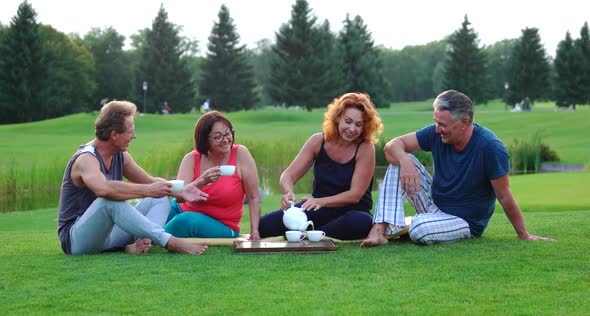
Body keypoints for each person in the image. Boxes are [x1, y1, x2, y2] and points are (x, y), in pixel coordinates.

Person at [361, 90, 555, 247]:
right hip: (434, 204)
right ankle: (379, 231)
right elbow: (392, 146)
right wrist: (405, 161)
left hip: (465, 221)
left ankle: (403, 224)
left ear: (463, 123)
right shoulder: (436, 133)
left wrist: (524, 235)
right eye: (436, 122)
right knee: (399, 161)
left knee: (419, 229)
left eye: (442, 124)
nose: (437, 129)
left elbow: (504, 195)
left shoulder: (491, 148)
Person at [57, 100, 209, 255]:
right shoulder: (86, 159)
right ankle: (169, 241)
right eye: (130, 132)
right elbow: (103, 189)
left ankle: (141, 243)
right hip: (77, 240)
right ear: (114, 134)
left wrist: (180, 190)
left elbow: (150, 181)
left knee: (160, 198)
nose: (134, 136)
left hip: (109, 235)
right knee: (109, 201)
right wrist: (148, 190)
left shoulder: (121, 156)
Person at [259, 92, 384, 240]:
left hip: (352, 212)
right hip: (318, 209)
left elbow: (355, 195)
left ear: (365, 126)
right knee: (264, 225)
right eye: (348, 121)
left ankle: (311, 233)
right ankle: (314, 233)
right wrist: (288, 194)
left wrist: (320, 201)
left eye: (358, 124)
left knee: (361, 222)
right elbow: (288, 175)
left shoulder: (366, 148)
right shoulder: (318, 141)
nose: (352, 129)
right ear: (337, 118)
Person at [164, 111, 261, 240]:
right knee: (158, 205)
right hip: (182, 209)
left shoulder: (240, 154)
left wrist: (254, 231)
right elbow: (180, 198)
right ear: (204, 139)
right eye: (218, 137)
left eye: (228, 133)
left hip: (223, 224)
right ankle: (136, 240)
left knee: (186, 221)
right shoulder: (191, 158)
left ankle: (150, 239)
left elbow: (253, 197)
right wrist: (202, 181)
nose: (226, 140)